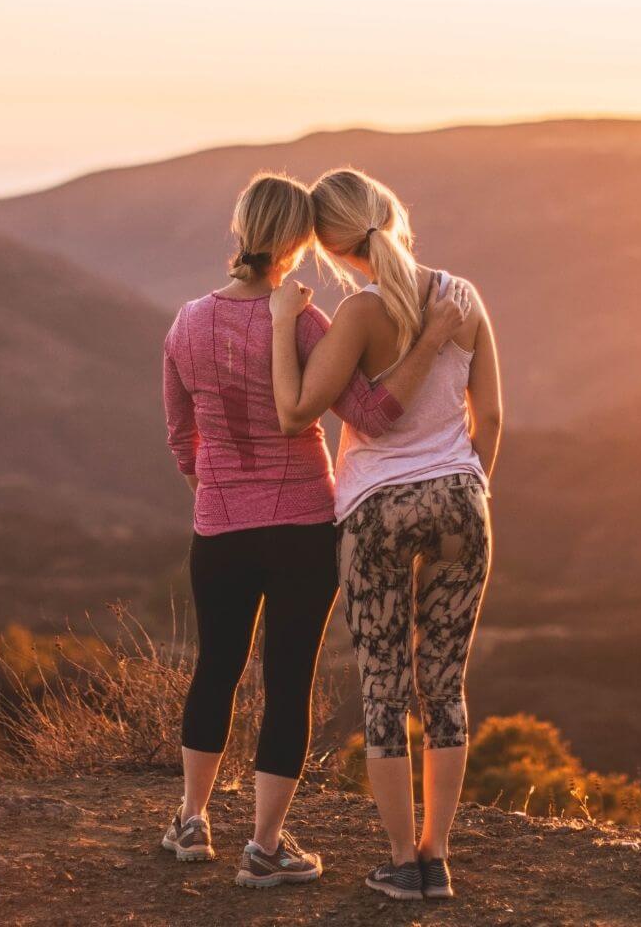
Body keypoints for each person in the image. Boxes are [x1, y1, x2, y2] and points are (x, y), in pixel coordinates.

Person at [159, 172, 465, 889]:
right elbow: (372, 414)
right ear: (299, 244)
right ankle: (265, 847)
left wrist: (215, 486)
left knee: (217, 667)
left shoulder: (187, 324)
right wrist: (429, 346)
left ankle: (192, 820)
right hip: (303, 527)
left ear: (239, 231)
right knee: (287, 681)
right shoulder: (307, 325)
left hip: (221, 527)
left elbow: (180, 435)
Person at [268, 167, 501, 901]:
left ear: (334, 251)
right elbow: (489, 418)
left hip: (377, 513)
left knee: (385, 686)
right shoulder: (462, 298)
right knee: (445, 683)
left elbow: (308, 409)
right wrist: (470, 486)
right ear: (393, 213)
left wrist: (282, 325)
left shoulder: (361, 317)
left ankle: (404, 861)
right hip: (463, 500)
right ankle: (439, 856)